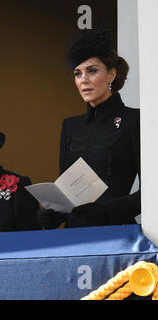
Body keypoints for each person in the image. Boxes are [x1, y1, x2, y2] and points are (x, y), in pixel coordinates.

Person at [37, 28, 140, 229]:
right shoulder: (70, 125)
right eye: (78, 73)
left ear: (111, 74)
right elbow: (67, 192)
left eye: (92, 71)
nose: (83, 79)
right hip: (74, 236)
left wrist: (107, 210)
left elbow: (151, 193)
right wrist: (55, 215)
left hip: (116, 233)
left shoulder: (134, 119)